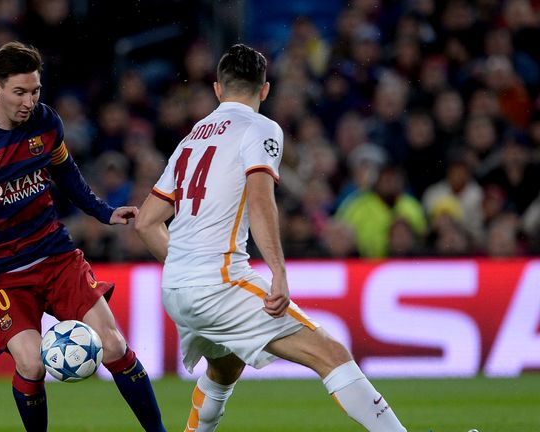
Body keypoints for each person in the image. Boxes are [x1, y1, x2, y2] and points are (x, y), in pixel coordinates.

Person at [135, 44, 407, 432]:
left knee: (226, 365)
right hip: (220, 282)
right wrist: (278, 271)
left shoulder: (191, 139)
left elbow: (146, 223)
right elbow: (261, 202)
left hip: (176, 287)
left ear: (217, 89)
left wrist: (184, 265)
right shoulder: (261, 128)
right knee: (330, 353)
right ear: (264, 90)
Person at [0, 41, 165, 432]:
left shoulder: (46, 122)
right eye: (19, 92)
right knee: (31, 362)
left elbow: (68, 174)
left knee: (114, 345)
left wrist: (103, 211)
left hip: (56, 256)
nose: (28, 101)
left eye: (35, 91)